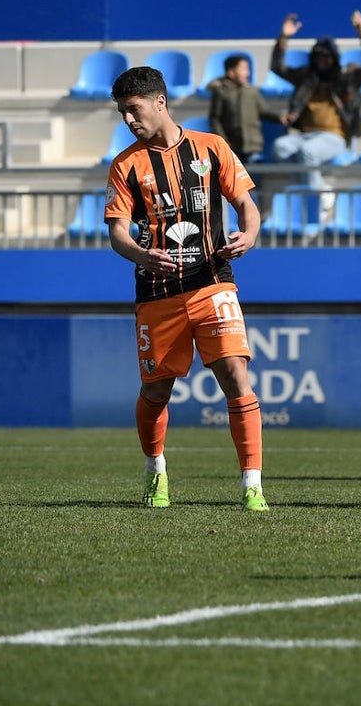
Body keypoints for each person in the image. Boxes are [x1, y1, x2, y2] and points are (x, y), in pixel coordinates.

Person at [104, 66, 268, 512]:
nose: (128, 120)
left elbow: (246, 206)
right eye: (122, 113)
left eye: (133, 110)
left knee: (235, 374)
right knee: (157, 390)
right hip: (157, 291)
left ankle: (252, 484)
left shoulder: (211, 148)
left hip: (213, 281)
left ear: (159, 102)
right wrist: (141, 254)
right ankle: (155, 471)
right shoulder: (126, 165)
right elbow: (118, 233)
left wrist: (249, 235)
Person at [268, 10, 361, 216]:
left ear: (334, 58)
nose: (322, 60)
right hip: (305, 134)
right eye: (318, 56)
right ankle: (320, 188)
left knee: (307, 153)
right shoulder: (306, 78)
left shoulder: (346, 78)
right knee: (279, 148)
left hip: (334, 136)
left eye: (327, 56)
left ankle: (316, 200)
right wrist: (284, 37)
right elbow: (277, 67)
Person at [207, 53, 285, 163]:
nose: (247, 73)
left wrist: (279, 118)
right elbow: (215, 119)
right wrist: (223, 140)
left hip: (253, 145)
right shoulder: (221, 92)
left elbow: (263, 112)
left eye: (248, 69)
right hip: (232, 146)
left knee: (253, 174)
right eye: (243, 69)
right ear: (231, 72)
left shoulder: (252, 91)